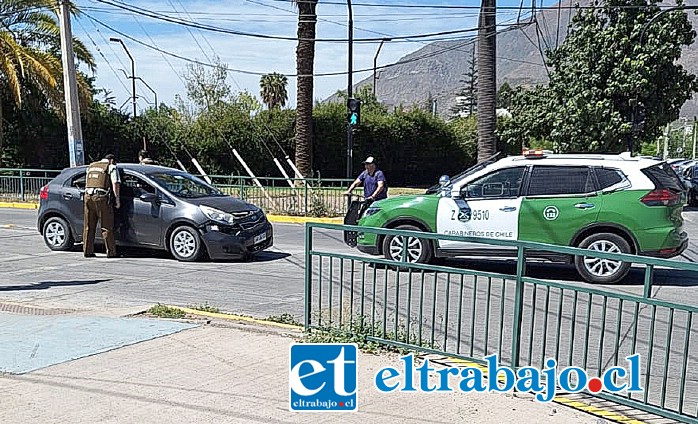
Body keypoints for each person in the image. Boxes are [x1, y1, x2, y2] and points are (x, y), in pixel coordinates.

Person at [83, 153, 121, 258]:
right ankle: (111, 252)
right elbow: (115, 183)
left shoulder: (91, 166)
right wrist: (117, 199)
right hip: (101, 197)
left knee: (89, 226)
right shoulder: (111, 167)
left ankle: (87, 251)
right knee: (106, 226)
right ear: (112, 160)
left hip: (87, 197)